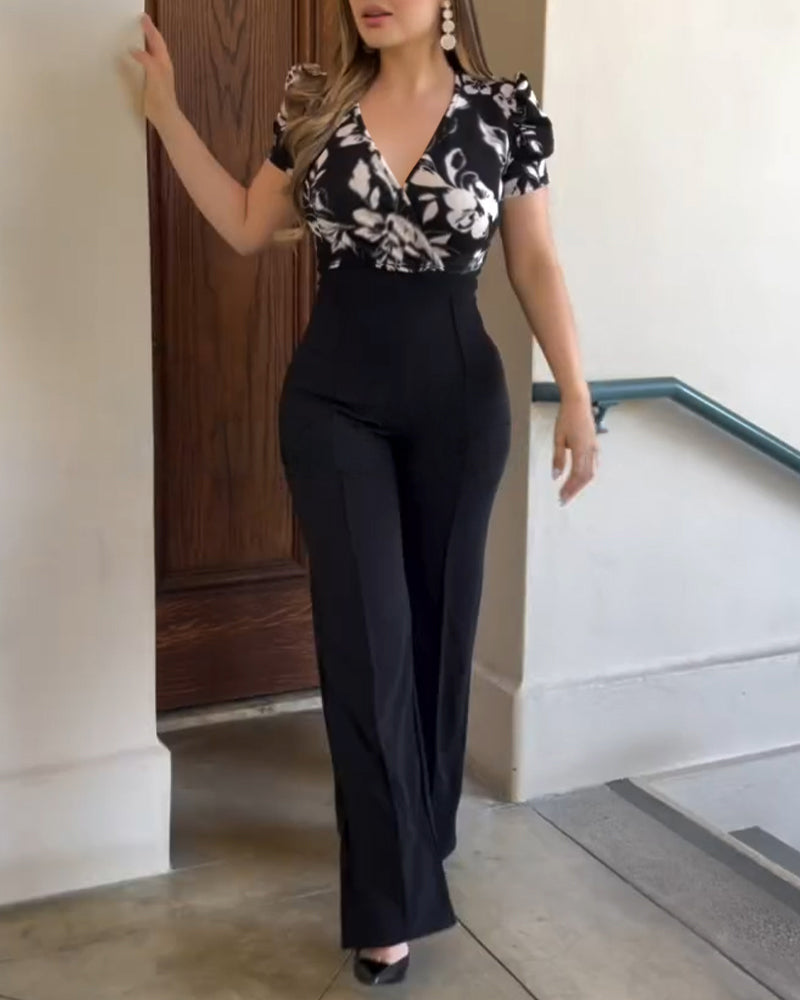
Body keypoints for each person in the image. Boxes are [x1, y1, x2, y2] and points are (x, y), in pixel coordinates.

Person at [130, 0, 598, 986]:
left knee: (437, 637)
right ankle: (387, 902)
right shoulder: (314, 103)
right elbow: (248, 224)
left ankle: (420, 832)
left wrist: (576, 396)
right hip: (334, 406)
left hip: (459, 408)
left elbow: (534, 259)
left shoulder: (504, 113)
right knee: (365, 642)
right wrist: (167, 113)